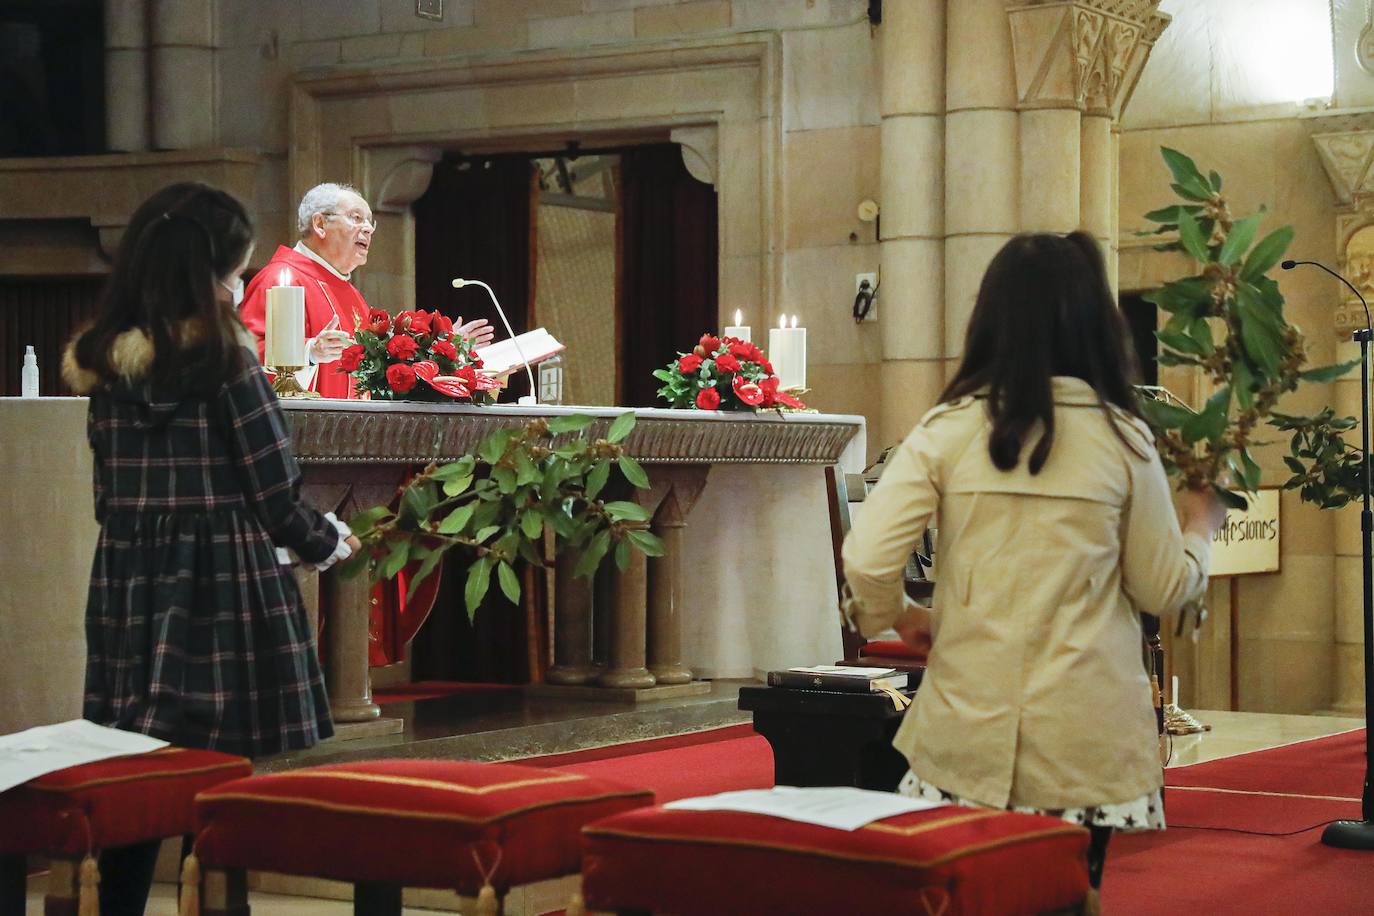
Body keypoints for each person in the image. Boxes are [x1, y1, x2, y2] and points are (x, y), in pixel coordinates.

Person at [841, 231, 1228, 902]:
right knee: (1066, 896)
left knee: (970, 898)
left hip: (968, 724)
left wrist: (902, 618)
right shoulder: (1122, 436)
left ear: (989, 319)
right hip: (1084, 730)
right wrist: (1201, 529)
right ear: (1094, 324)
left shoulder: (949, 427)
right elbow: (1161, 586)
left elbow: (868, 558)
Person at [61, 182, 362, 914]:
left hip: (129, 578)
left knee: (135, 768)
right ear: (210, 272)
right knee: (218, 776)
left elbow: (107, 496)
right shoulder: (227, 363)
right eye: (234, 271)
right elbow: (272, 490)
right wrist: (330, 543)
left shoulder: (105, 368)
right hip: (223, 579)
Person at [238, 182, 494, 397]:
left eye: (371, 222)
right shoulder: (280, 279)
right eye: (356, 218)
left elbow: (382, 368)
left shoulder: (350, 293)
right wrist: (310, 353)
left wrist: (443, 346)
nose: (368, 228)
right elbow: (244, 361)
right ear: (319, 224)